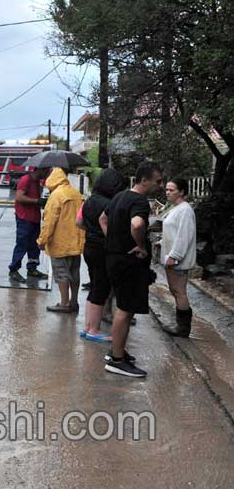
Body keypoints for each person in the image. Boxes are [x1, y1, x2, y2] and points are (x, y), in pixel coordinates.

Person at [99, 162, 164, 378]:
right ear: (144, 180)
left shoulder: (119, 196)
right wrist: (142, 246)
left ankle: (117, 352)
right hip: (128, 261)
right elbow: (137, 225)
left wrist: (114, 239)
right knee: (125, 309)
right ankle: (117, 360)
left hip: (113, 257)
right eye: (158, 181)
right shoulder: (139, 201)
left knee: (124, 306)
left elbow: (103, 218)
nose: (160, 185)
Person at [76, 167, 128, 341]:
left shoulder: (90, 200)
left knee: (95, 286)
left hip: (89, 247)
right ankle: (94, 330)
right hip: (103, 249)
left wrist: (92, 231)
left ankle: (87, 326)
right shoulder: (109, 204)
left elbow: (79, 221)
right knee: (101, 289)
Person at [37, 168, 85, 312]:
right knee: (74, 273)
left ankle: (64, 303)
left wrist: (42, 240)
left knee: (61, 273)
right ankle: (74, 301)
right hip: (76, 241)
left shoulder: (56, 196)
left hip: (59, 242)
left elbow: (49, 222)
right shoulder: (77, 194)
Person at [160, 178, 197, 337]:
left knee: (179, 291)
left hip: (177, 259)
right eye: (167, 190)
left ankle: (183, 328)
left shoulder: (185, 210)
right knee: (175, 290)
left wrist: (175, 255)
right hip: (171, 256)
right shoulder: (176, 208)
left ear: (181, 192)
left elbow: (184, 235)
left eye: (171, 190)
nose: (167, 193)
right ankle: (180, 325)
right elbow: (173, 232)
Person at [8, 167, 51, 282]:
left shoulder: (37, 181)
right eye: (47, 170)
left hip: (34, 218)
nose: (47, 173)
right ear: (40, 170)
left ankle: (32, 269)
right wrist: (37, 201)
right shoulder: (25, 180)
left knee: (34, 245)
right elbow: (19, 197)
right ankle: (13, 270)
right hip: (24, 218)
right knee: (22, 244)